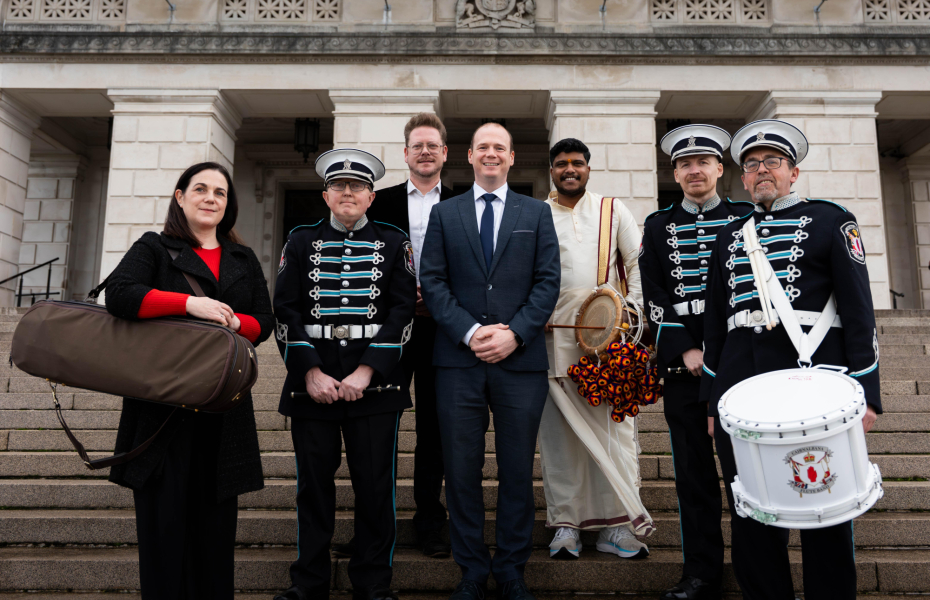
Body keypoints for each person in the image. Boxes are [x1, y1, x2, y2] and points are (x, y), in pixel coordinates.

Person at [701, 119, 881, 600]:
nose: (762, 171)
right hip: (742, 384)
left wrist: (868, 394)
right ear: (742, 179)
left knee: (824, 504)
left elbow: (859, 313)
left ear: (793, 173)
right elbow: (715, 327)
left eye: (773, 163)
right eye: (753, 165)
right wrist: (711, 403)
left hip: (814, 379)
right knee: (751, 508)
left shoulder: (831, 220)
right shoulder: (730, 236)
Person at [104, 162, 274, 599]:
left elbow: (265, 320)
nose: (210, 198)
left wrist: (236, 324)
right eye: (200, 189)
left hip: (224, 409)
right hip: (163, 409)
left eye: (220, 192)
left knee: (214, 538)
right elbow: (119, 294)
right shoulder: (155, 248)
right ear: (180, 197)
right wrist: (189, 305)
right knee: (163, 535)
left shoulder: (243, 257)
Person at [419, 122, 561, 600]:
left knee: (517, 470)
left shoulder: (537, 212)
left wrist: (515, 334)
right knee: (461, 470)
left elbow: (547, 282)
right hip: (458, 362)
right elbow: (433, 281)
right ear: (470, 155)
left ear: (512, 157)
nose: (491, 154)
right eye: (483, 147)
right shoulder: (446, 212)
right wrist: (472, 331)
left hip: (520, 365)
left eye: (500, 148)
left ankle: (513, 569)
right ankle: (472, 569)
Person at [272, 148, 416, 600]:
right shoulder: (298, 241)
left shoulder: (396, 243)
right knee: (312, 492)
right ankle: (308, 584)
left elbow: (402, 312)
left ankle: (373, 585)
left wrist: (367, 371)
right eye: (339, 186)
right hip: (312, 386)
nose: (348, 192)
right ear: (326, 194)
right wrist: (309, 372)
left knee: (376, 491)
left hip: (374, 387)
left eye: (357, 187)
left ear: (371, 197)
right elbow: (285, 310)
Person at [640, 124, 754, 600]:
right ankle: (701, 573)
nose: (694, 170)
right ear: (675, 173)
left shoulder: (747, 217)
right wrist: (684, 348)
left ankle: (754, 571)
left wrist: (724, 353)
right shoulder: (658, 225)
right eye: (684, 164)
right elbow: (656, 296)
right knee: (693, 477)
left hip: (741, 365)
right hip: (684, 367)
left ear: (719, 169)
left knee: (745, 477)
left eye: (703, 162)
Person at [540, 137, 653, 561]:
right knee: (560, 440)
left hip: (607, 347)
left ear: (589, 168)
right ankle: (566, 526)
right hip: (552, 345)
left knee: (615, 436)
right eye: (562, 164)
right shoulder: (537, 214)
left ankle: (621, 527)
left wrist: (629, 318)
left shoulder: (613, 209)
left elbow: (638, 264)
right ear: (551, 170)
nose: (571, 169)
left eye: (578, 163)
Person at [362, 112, 456, 559]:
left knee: (434, 432)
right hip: (388, 330)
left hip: (444, 330)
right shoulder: (375, 203)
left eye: (432, 145)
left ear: (444, 153)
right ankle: (373, 525)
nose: (424, 152)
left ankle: (429, 521)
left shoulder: (464, 202)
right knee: (379, 427)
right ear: (405, 153)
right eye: (417, 145)